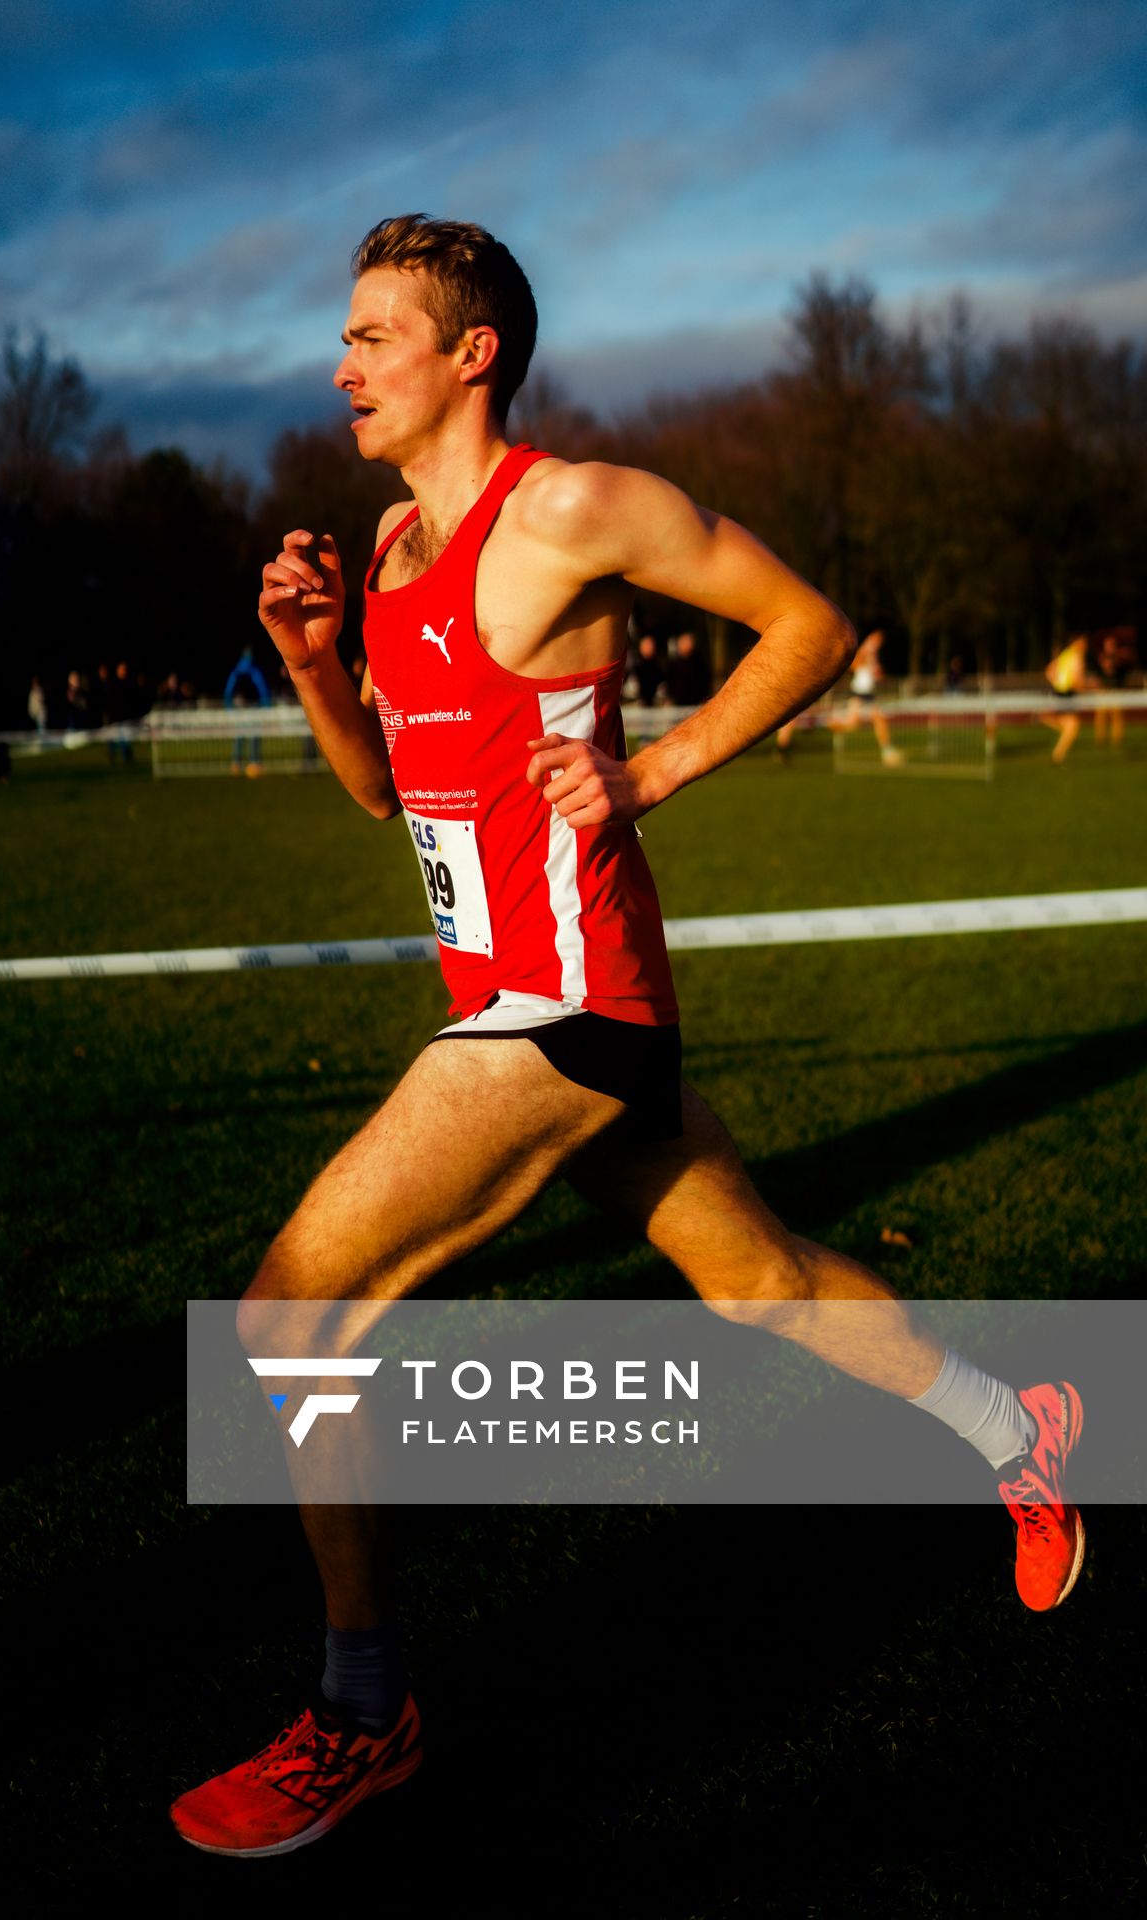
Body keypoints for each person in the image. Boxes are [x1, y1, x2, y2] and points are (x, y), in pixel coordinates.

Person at [170, 215, 1085, 1860]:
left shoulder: (571, 510)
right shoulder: (390, 548)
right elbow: (386, 792)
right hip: (509, 1009)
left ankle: (365, 1714)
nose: (342, 364)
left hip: (571, 1009)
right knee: (764, 1283)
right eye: (346, 336)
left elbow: (812, 627)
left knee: (287, 1315)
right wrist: (313, 663)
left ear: (472, 355)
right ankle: (1015, 1433)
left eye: (374, 334)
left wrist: (648, 774)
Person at [830, 627, 904, 766]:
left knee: (877, 720)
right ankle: (833, 724)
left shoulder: (873, 654)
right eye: (876, 640)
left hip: (867, 692)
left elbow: (873, 673)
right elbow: (853, 665)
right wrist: (863, 662)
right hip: (859, 691)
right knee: (856, 724)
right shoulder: (865, 651)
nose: (878, 642)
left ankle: (887, 751)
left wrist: (877, 673)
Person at [1042, 634, 1094, 764]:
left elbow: (1049, 671)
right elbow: (1078, 679)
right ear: (1076, 643)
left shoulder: (1065, 654)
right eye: (1083, 643)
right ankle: (1057, 757)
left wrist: (1057, 683)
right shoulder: (1077, 656)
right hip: (1067, 693)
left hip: (1060, 692)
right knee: (1072, 727)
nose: (1085, 646)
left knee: (1071, 726)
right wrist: (1089, 688)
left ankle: (1057, 756)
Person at [223, 644, 273, 775]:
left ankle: (236, 764)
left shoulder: (237, 670)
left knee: (240, 735)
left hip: (240, 708)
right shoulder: (255, 670)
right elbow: (263, 689)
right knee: (254, 736)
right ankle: (254, 762)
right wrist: (266, 706)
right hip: (254, 707)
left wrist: (229, 707)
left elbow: (228, 691)